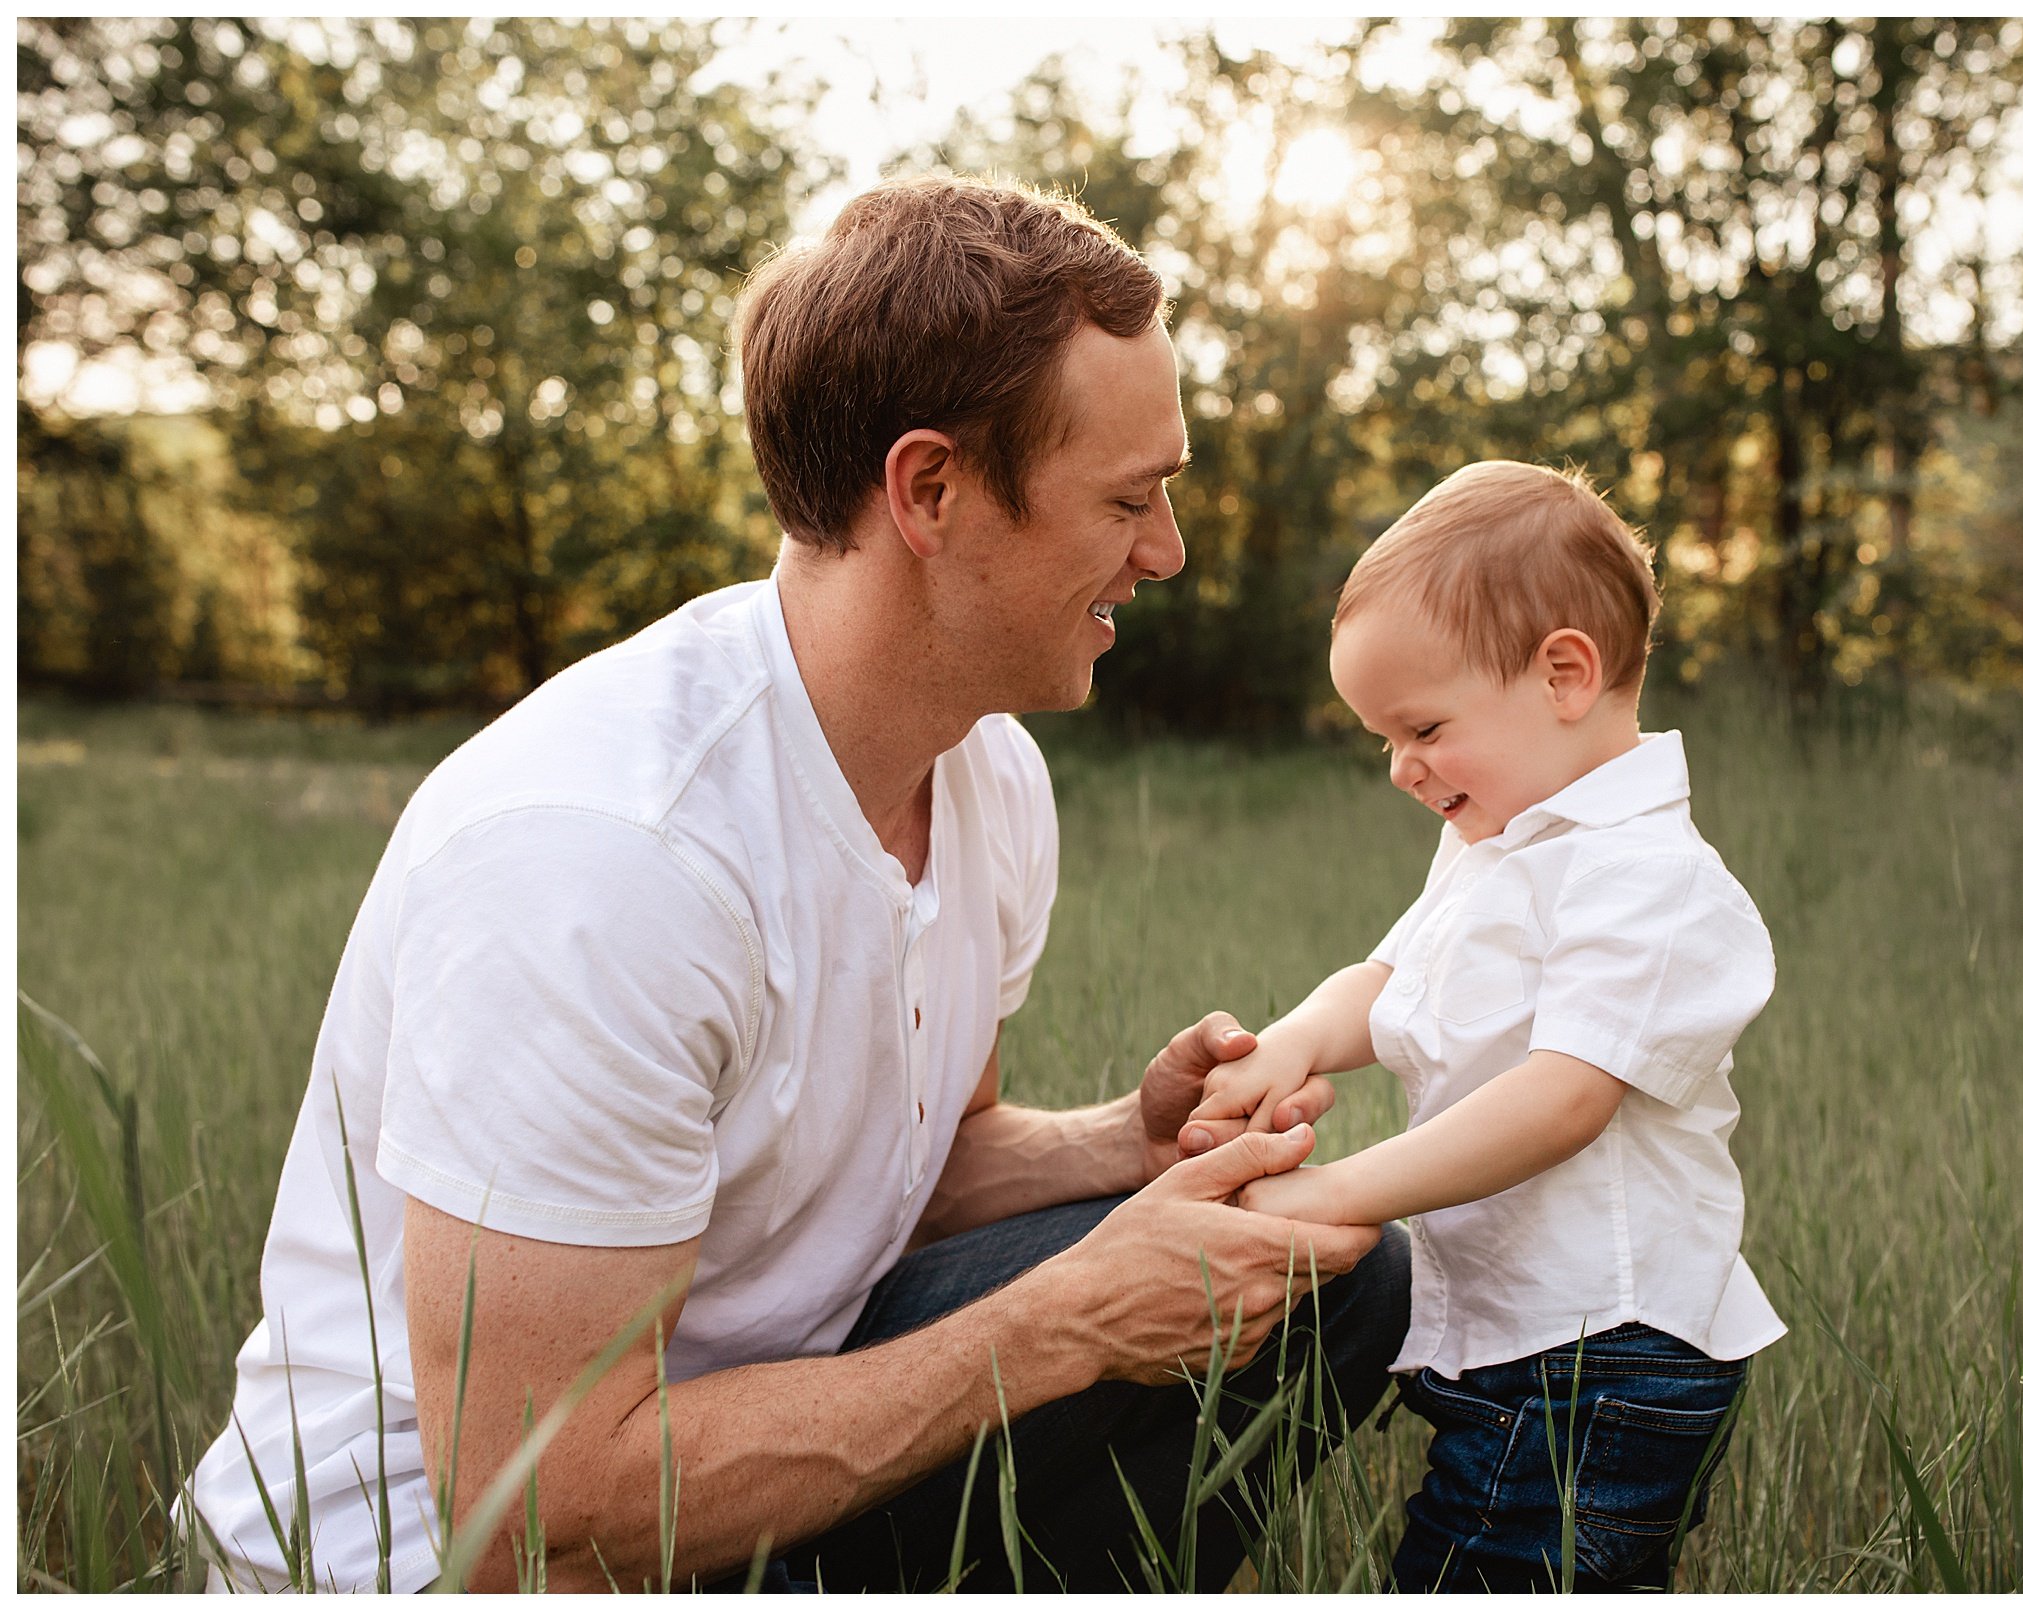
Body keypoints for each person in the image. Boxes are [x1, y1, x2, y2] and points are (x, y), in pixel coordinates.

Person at [183, 176, 1408, 1593]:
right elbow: (532, 1509)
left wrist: (1116, 1150)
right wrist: (1066, 1319)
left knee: (1315, 1267)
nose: (1168, 549)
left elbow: (889, 1164)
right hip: (456, 1553)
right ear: (931, 490)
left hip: (761, 1420)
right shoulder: (608, 859)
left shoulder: (986, 771)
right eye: (1129, 498)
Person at [1175, 460, 1780, 1591]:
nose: (1401, 768)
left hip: (1607, 1354)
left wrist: (1337, 1191)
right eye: (1380, 739)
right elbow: (1395, 974)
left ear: (1563, 673)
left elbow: (1564, 1099)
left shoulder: (1643, 873)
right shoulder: (1496, 839)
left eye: (1423, 727)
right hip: (1539, 1338)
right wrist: (1302, 1037)